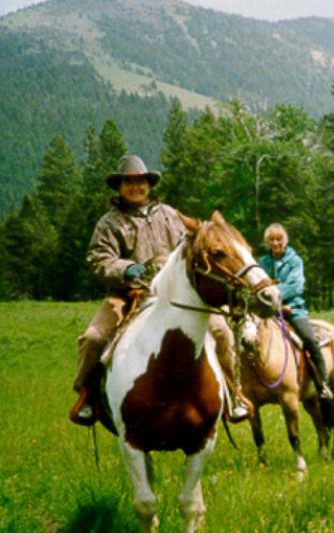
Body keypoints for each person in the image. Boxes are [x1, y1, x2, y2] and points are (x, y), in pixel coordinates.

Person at [69, 155, 250, 425]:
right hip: (129, 294)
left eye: (140, 182)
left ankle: (234, 393)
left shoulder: (169, 214)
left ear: (148, 185)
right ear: (119, 187)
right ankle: (87, 395)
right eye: (129, 183)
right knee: (94, 338)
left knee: (222, 331)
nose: (135, 187)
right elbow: (98, 259)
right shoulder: (108, 223)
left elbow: (191, 246)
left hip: (177, 294)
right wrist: (125, 269)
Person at [258, 223, 333, 400]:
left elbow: (295, 286)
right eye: (271, 239)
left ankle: (323, 383)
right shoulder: (262, 263)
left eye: (279, 239)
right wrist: (270, 302)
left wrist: (272, 293)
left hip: (294, 310)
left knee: (309, 339)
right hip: (268, 309)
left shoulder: (295, 261)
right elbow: (259, 285)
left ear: (285, 240)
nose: (275, 243)